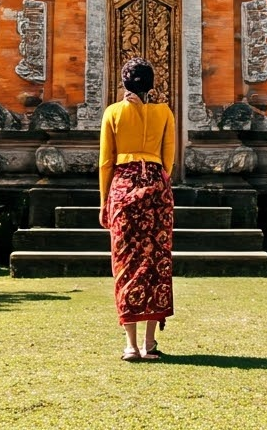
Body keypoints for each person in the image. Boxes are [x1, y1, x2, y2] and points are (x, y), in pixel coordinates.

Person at [98, 56, 175, 362]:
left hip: (122, 186)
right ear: (151, 85)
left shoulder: (113, 112)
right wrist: (156, 179)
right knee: (156, 261)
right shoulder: (164, 112)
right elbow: (168, 158)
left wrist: (105, 200)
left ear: (124, 83)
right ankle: (150, 342)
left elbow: (105, 161)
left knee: (126, 262)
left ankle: (130, 345)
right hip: (156, 186)